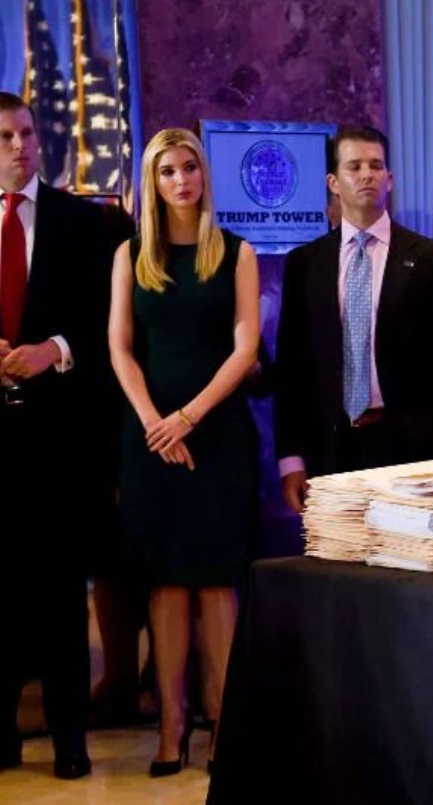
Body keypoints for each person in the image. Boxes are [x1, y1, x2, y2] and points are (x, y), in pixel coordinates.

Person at [108, 127, 260, 777]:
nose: (180, 180)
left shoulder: (235, 251)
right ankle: (171, 724)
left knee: (217, 584)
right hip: (150, 441)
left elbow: (245, 345)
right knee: (167, 584)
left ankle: (224, 721)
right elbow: (118, 345)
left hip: (216, 434)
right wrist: (153, 423)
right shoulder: (128, 255)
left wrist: (189, 417)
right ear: (153, 181)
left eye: (189, 168)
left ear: (204, 175)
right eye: (167, 171)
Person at [0, 92, 129, 781]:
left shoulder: (87, 224)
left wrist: (55, 347)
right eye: (5, 136)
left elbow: (111, 325)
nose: (20, 145)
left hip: (62, 444)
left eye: (26, 133)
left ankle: (71, 736)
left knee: (58, 596)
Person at [274, 126, 433, 513]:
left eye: (376, 166)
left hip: (412, 449)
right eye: (354, 166)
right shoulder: (305, 264)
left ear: (389, 179)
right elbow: (291, 369)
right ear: (333, 182)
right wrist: (291, 459)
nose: (366, 175)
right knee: (336, 570)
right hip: (330, 447)